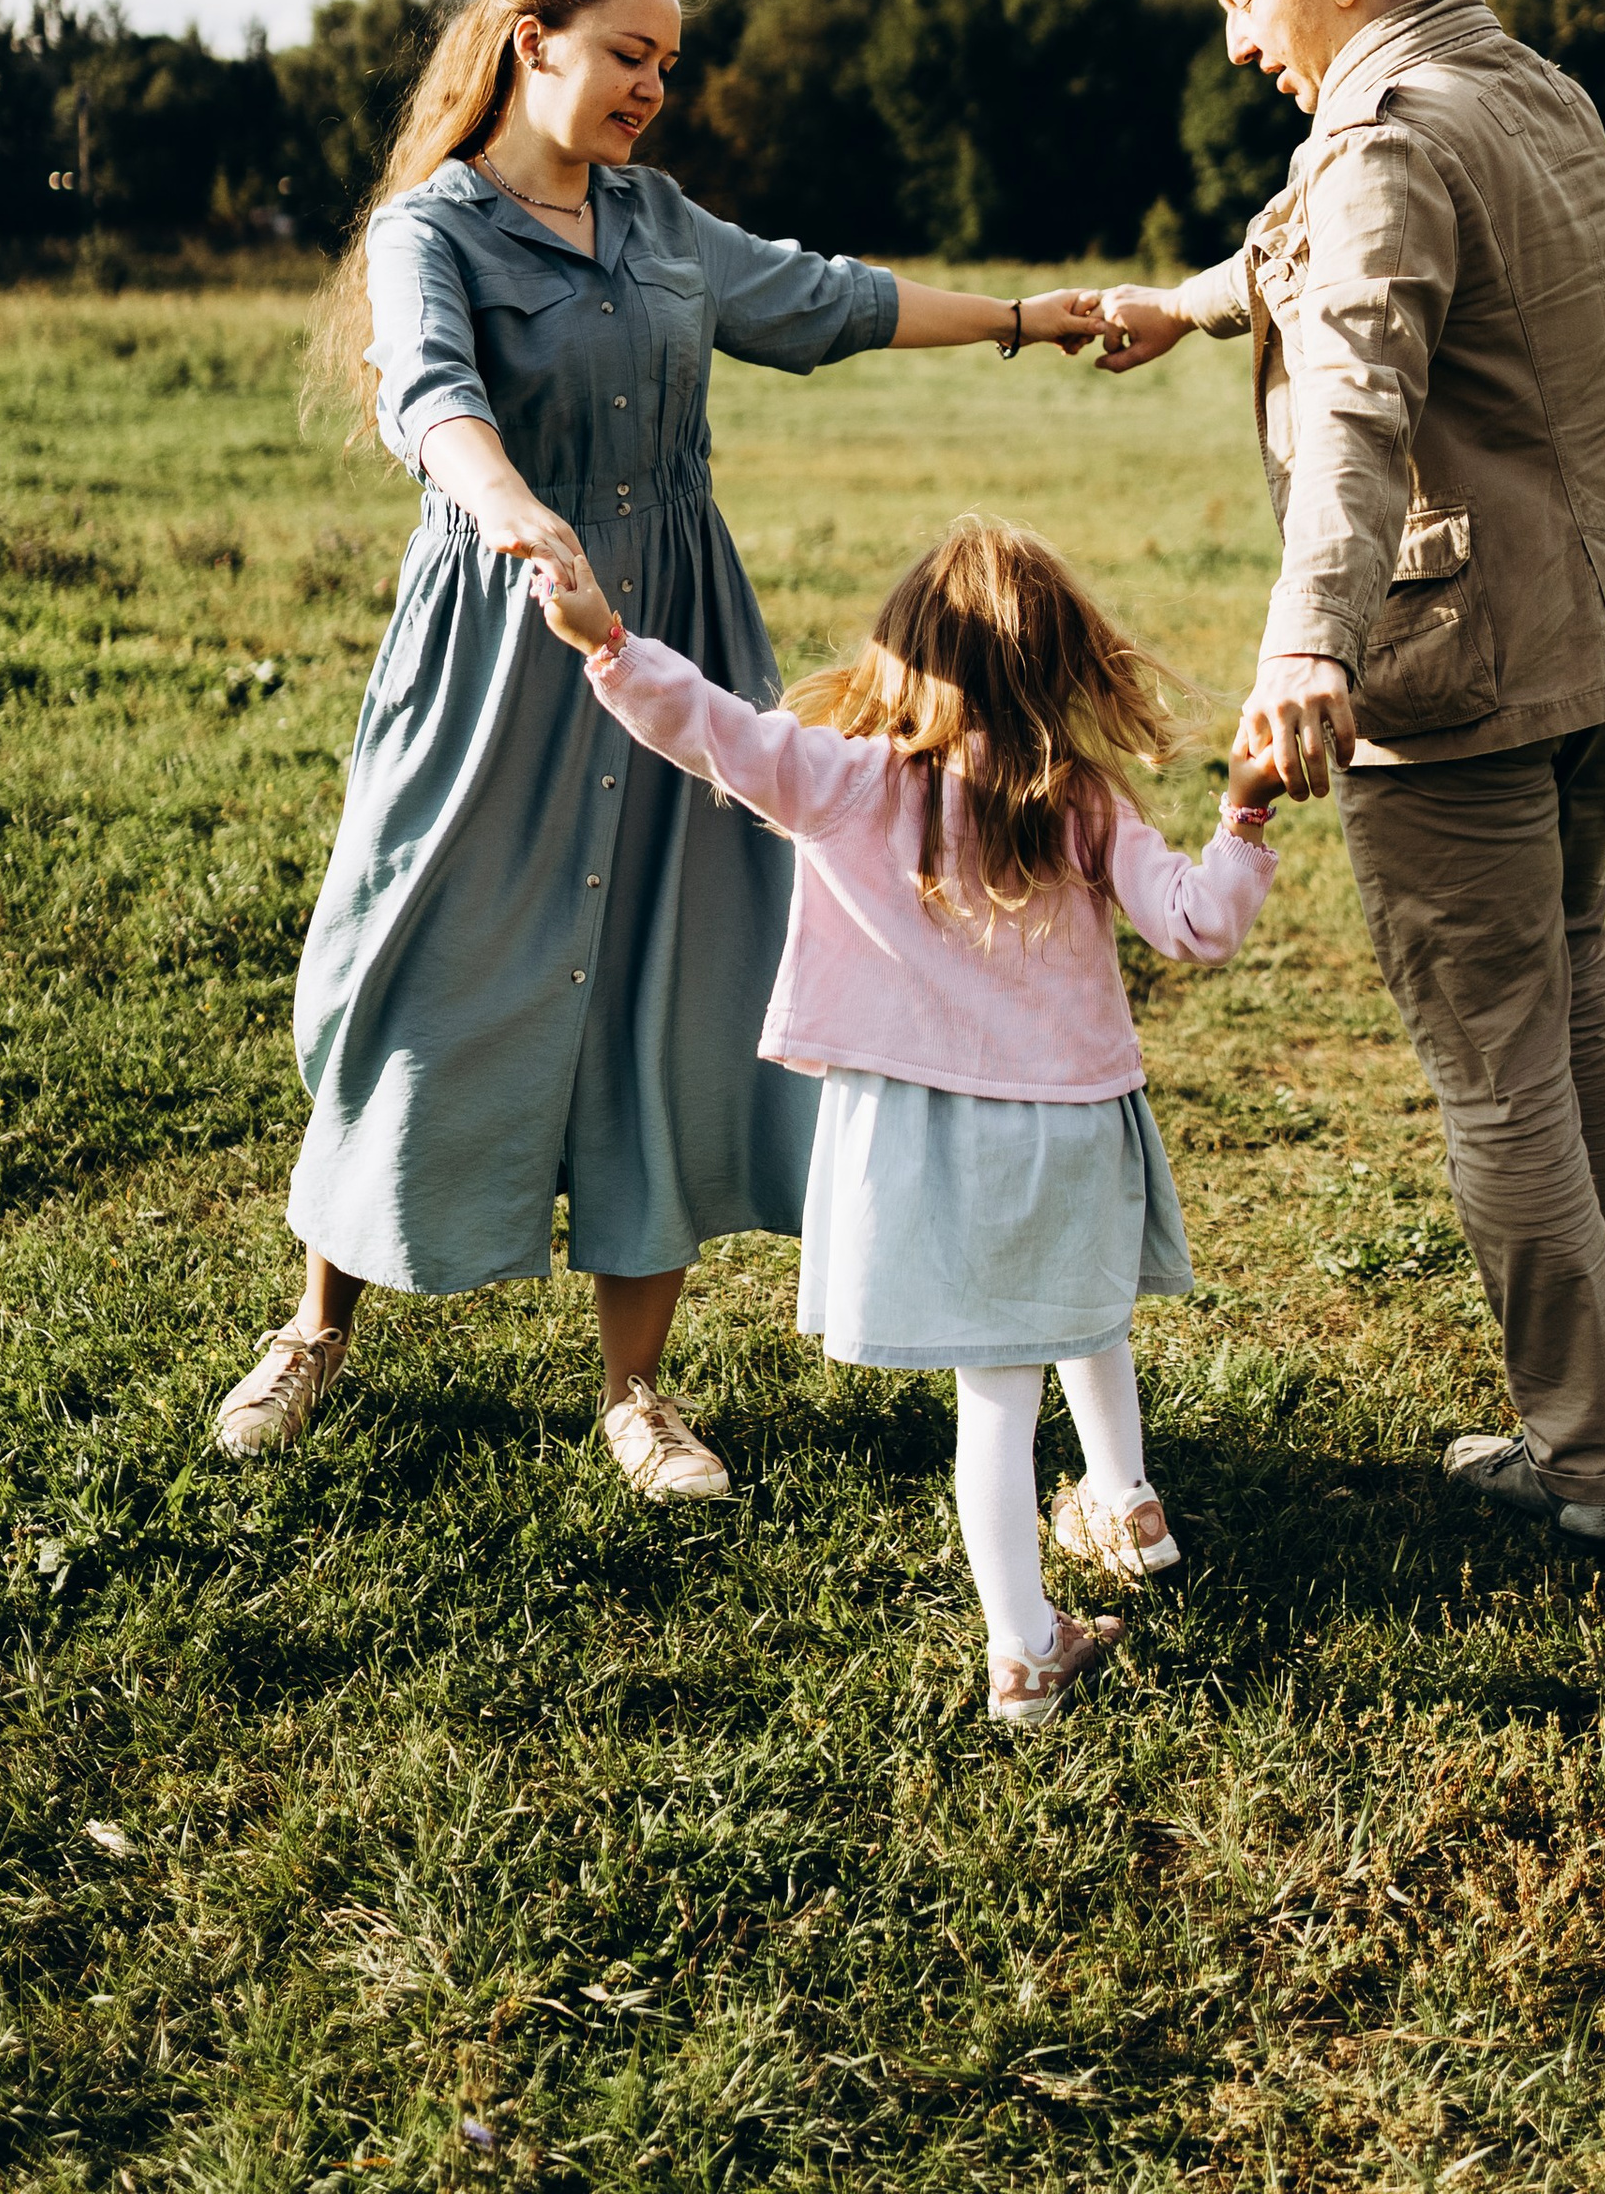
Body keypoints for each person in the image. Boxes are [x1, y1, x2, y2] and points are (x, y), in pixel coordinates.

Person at [213, 0, 1101, 1489]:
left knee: (679, 987)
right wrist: (515, 514)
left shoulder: (660, 221)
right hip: (505, 647)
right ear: (528, 40)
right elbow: (430, 398)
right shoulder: (438, 231)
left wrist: (1042, 315)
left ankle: (638, 1389)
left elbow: (827, 303)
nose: (653, 88)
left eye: (668, 64)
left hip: (679, 640)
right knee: (422, 964)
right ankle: (315, 1325)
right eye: (630, 54)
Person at [1092, 0, 1605, 1553]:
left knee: (1497, 1062)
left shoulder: (1387, 136)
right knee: (1569, 978)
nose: (1237, 42)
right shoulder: (1518, 87)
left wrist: (1312, 646)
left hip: (1467, 669)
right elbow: (1331, 253)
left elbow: (1360, 405)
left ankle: (1579, 1458)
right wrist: (1189, 306)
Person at [533, 515, 1284, 1727]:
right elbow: (1198, 925)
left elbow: (710, 729)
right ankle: (1124, 1500)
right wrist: (1242, 812)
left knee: (995, 1401)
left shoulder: (843, 777)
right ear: (1058, 666)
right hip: (1077, 1128)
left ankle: (1026, 1649)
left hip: (930, 1144)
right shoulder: (1080, 798)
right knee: (1081, 1312)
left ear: (899, 655)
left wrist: (608, 642)